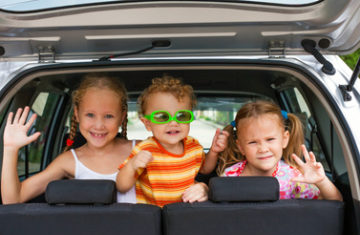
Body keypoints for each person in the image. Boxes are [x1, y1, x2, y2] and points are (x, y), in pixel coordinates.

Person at [1, 73, 136, 204]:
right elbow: (14, 199)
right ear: (77, 114)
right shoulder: (69, 161)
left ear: (122, 117)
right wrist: (10, 149)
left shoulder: (143, 150)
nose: (99, 125)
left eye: (108, 116)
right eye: (90, 115)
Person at [116, 75, 229, 207]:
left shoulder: (192, 145)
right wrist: (131, 165)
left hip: (183, 212)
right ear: (147, 124)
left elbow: (204, 169)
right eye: (162, 116)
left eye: (182, 116)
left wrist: (214, 152)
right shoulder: (145, 149)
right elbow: (122, 187)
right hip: (154, 216)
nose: (174, 123)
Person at [217, 100, 342, 201]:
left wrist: (322, 181)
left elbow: (334, 202)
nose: (263, 149)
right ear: (241, 147)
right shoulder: (229, 177)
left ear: (284, 139)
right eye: (253, 142)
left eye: (270, 139)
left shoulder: (295, 179)